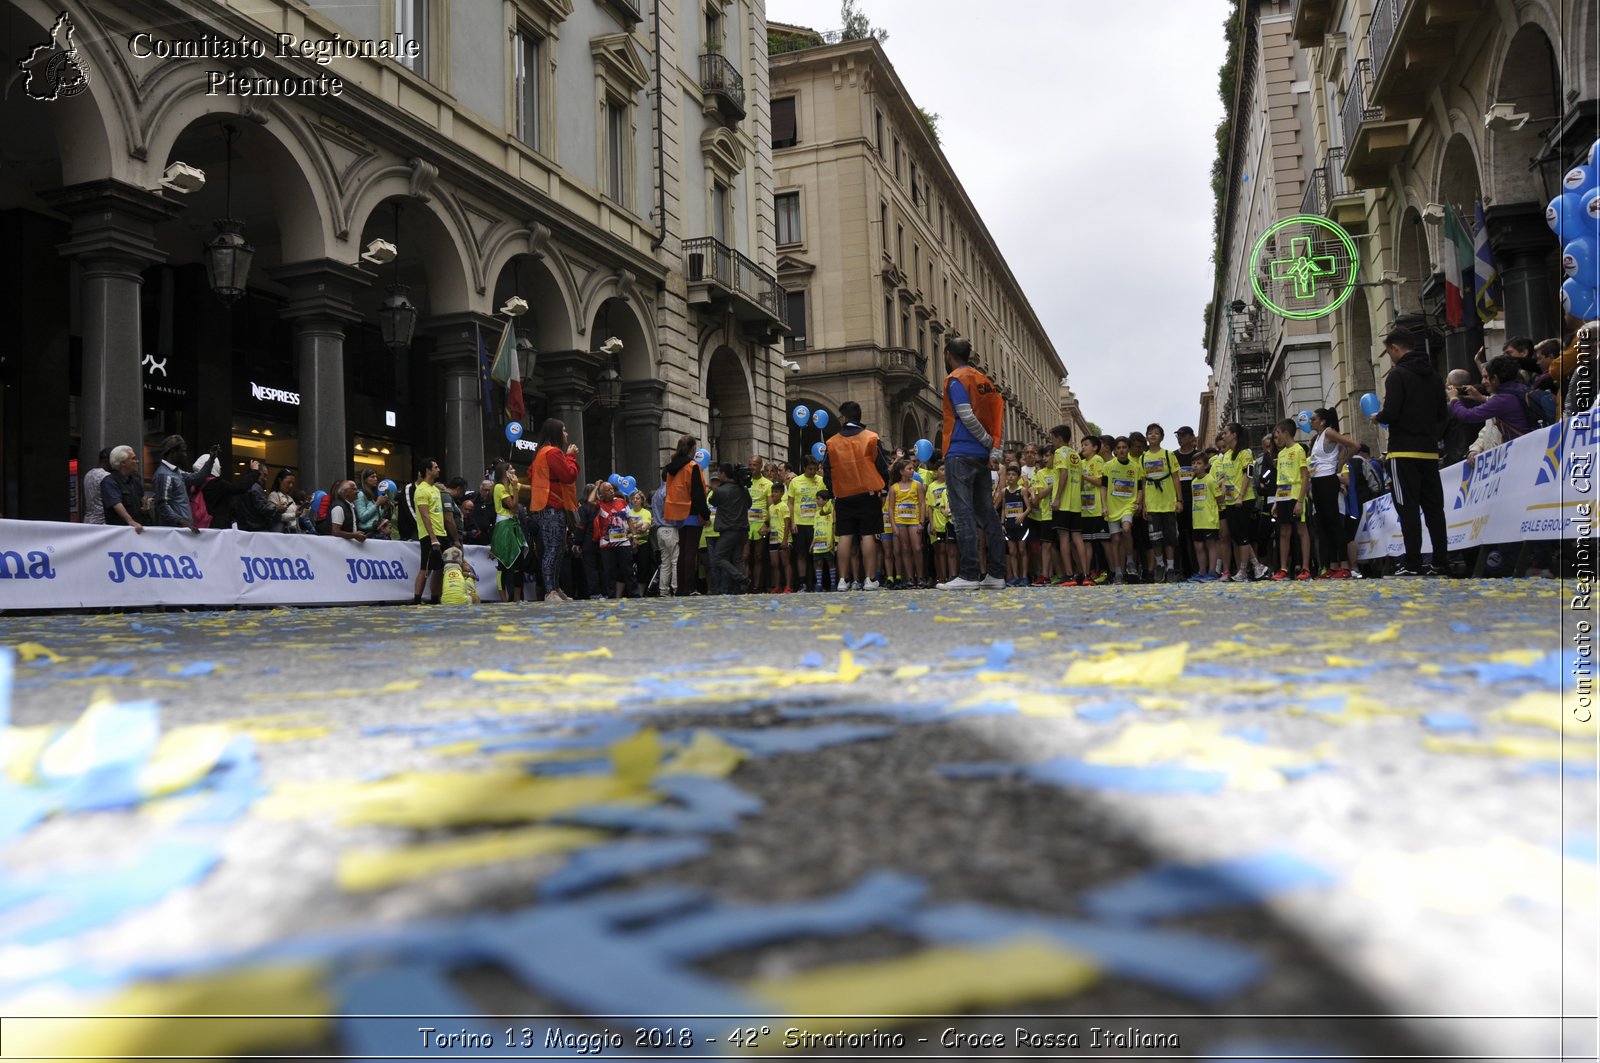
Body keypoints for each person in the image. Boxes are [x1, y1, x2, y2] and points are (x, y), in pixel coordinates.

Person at [1370, 326, 1451, 577]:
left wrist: (1378, 417)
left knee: (1408, 509)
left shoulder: (1398, 375)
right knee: (1434, 509)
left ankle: (1413, 563)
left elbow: (1392, 412)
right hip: (1428, 452)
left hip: (1403, 452)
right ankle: (1440, 561)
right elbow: (1442, 414)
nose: (1390, 357)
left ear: (1396, 348)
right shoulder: (1435, 376)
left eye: (1389, 352)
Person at [937, 334, 1007, 590]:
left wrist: (988, 442)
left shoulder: (955, 379)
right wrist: (993, 450)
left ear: (948, 355)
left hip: (960, 453)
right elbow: (998, 416)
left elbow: (965, 415)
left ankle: (968, 575)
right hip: (981, 457)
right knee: (987, 514)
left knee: (963, 513)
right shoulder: (983, 380)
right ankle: (996, 574)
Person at [823, 401, 890, 591]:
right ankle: (870, 579)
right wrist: (884, 487)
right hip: (868, 493)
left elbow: (827, 471)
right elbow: (883, 466)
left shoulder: (832, 442)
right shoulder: (871, 438)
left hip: (843, 495)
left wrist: (833, 490)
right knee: (867, 535)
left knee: (844, 536)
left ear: (844, 418)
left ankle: (843, 580)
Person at [528, 419, 581, 602]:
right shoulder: (553, 452)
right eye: (564, 430)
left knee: (557, 549)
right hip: (553, 505)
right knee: (553, 549)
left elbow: (531, 474)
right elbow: (568, 475)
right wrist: (571, 457)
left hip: (545, 505)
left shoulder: (540, 453)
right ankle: (550, 591)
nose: (566, 434)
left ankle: (555, 588)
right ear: (556, 433)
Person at [1308, 408, 1360, 578]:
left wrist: (1341, 463)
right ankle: (1332, 565)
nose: (1310, 421)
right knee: (1323, 526)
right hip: (1317, 481)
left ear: (1322, 421)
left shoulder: (1329, 432)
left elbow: (1354, 445)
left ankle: (1344, 565)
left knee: (1334, 524)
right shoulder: (1317, 438)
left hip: (1328, 480)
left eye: (1313, 418)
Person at [1217, 422, 1268, 582]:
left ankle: (1243, 570)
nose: (1223, 436)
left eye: (1226, 433)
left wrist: (1240, 496)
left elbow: (1250, 474)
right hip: (1230, 500)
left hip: (1244, 499)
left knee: (1242, 536)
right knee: (1238, 536)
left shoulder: (1244, 453)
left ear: (1234, 435)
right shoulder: (1225, 455)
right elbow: (1226, 477)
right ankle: (1258, 566)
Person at [661, 436, 710, 596]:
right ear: (691, 449)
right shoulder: (692, 466)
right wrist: (705, 513)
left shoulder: (671, 469)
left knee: (683, 552)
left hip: (677, 513)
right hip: (693, 512)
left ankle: (681, 588)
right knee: (690, 552)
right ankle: (689, 587)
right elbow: (697, 493)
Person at [1139, 424, 1184, 583]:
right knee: (1155, 538)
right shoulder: (1143, 458)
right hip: (1152, 504)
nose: (1153, 435)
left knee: (1170, 537)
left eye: (1156, 433)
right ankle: (1159, 565)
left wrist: (1179, 499)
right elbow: (1143, 483)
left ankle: (1171, 568)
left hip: (1168, 503)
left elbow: (1176, 478)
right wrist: (1143, 504)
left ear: (1162, 437)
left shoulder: (1168, 454)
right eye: (1150, 433)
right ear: (1147, 436)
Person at [1270, 419, 1313, 581]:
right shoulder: (1280, 454)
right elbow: (1280, 479)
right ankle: (1283, 569)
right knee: (1284, 532)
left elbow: (1304, 477)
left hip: (1296, 495)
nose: (1276, 438)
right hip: (1282, 496)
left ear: (1285, 433)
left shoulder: (1299, 450)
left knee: (1302, 530)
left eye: (1277, 434)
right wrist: (1275, 501)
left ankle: (1306, 568)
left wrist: (1301, 501)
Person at [152, 435, 215, 534]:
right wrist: (182, 521)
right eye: (183, 451)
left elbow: (197, 478)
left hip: (181, 529)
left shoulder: (176, 472)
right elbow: (162, 505)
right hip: (174, 531)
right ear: (173, 452)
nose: (185, 455)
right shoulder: (164, 475)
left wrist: (211, 459)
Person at [1103, 437, 1141, 584]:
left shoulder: (1135, 467)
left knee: (1126, 529)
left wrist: (1138, 502)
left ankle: (1130, 561)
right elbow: (1104, 488)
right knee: (1116, 539)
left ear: (1128, 449)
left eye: (1124, 447)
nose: (1121, 450)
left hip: (1128, 505)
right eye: (1118, 448)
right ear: (1115, 451)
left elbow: (1140, 488)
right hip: (1112, 507)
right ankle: (1118, 571)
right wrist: (1104, 505)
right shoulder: (1108, 466)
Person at [708, 463, 750, 594]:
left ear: (723, 474)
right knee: (737, 558)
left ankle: (741, 578)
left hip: (728, 530)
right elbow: (749, 504)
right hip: (743, 530)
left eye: (719, 473)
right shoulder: (742, 489)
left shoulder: (720, 490)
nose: (718, 475)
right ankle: (741, 588)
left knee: (718, 557)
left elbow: (712, 501)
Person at [591, 479, 637, 599]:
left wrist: (634, 535)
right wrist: (596, 487)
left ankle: (634, 594)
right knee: (609, 571)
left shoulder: (621, 501)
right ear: (602, 494)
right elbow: (590, 500)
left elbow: (629, 519)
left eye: (612, 489)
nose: (612, 491)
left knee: (628, 569)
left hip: (623, 542)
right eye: (608, 490)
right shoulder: (600, 504)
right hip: (607, 544)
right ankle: (611, 595)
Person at [490, 460, 529, 602]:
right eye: (511, 469)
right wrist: (514, 488)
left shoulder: (513, 485)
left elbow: (530, 488)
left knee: (519, 564)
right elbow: (513, 507)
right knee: (504, 565)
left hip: (514, 526)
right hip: (504, 527)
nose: (514, 471)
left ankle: (517, 598)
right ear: (504, 472)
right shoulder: (499, 487)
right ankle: (504, 600)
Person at [410, 458, 446, 604]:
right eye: (436, 467)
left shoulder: (435, 489)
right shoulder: (421, 490)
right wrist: (432, 538)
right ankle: (417, 599)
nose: (439, 469)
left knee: (439, 568)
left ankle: (434, 598)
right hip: (429, 535)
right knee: (426, 568)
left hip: (441, 533)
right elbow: (425, 515)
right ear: (428, 470)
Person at [788, 456, 825, 591]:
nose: (813, 471)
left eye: (815, 469)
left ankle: (818, 582)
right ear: (804, 468)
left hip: (817, 523)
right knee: (802, 554)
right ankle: (803, 582)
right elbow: (790, 503)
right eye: (810, 469)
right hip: (800, 523)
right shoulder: (795, 482)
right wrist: (793, 522)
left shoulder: (821, 481)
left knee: (817, 554)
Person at [1187, 448, 1222, 581]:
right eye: (1194, 463)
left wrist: (1215, 510)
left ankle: (1212, 571)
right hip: (1197, 520)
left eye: (1199, 463)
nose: (1195, 465)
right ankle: (1201, 571)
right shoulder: (1193, 482)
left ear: (1206, 465)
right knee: (1198, 546)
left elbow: (1219, 497)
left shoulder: (1210, 480)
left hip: (1209, 520)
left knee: (1210, 545)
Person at [1077, 436, 1109, 584]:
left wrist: (1083, 476)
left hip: (1097, 508)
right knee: (1087, 542)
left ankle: (1109, 571)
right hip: (1084, 509)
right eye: (1082, 445)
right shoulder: (1080, 463)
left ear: (1095, 447)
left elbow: (1100, 481)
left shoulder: (1097, 460)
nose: (1082, 447)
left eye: (1086, 445)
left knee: (1102, 542)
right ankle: (1088, 573)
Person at [101, 445, 146, 532]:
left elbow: (141, 503)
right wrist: (131, 522)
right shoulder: (109, 481)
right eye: (133, 458)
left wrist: (145, 508)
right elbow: (116, 504)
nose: (137, 461)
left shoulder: (136, 481)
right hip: (120, 533)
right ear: (123, 463)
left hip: (138, 531)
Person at [924, 459, 955, 585]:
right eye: (942, 469)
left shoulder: (952, 484)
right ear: (936, 472)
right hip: (937, 520)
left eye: (946, 469)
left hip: (950, 520)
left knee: (951, 550)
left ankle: (952, 575)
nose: (944, 472)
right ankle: (941, 576)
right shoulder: (932, 486)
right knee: (939, 551)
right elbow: (929, 507)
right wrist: (931, 523)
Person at [996, 464, 1027, 585]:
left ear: (1018, 477)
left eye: (1014, 474)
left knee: (1022, 550)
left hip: (1021, 524)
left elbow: (1029, 507)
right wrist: (1001, 523)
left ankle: (1024, 576)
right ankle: (1015, 576)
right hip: (1008, 525)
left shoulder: (1022, 490)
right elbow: (1003, 508)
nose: (1011, 477)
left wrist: (1023, 515)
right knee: (1012, 551)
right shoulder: (1004, 491)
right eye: (1008, 474)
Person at [745, 456, 772, 593]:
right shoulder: (744, 482)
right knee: (745, 556)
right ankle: (745, 585)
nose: (751, 467)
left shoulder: (767, 484)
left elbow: (770, 506)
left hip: (760, 523)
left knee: (758, 556)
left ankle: (757, 586)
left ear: (760, 466)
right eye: (750, 464)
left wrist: (766, 524)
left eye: (754, 464)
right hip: (746, 523)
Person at [767, 478, 794, 593]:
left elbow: (787, 523)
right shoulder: (770, 507)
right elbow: (770, 522)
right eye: (773, 492)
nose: (774, 494)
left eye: (777, 492)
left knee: (785, 563)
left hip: (783, 538)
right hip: (772, 539)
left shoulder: (784, 506)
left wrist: (785, 540)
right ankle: (777, 586)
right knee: (774, 564)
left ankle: (788, 586)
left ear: (782, 493)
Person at [811, 489, 837, 591]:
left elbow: (833, 526)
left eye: (818, 499)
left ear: (826, 500)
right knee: (818, 563)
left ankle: (833, 584)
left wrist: (833, 540)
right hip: (818, 543)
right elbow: (815, 529)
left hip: (828, 542)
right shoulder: (817, 514)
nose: (816, 501)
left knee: (831, 562)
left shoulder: (831, 513)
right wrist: (812, 544)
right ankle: (819, 584)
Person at [354, 469, 392, 539]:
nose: (375, 479)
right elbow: (362, 517)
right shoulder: (360, 494)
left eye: (376, 477)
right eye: (372, 477)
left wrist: (385, 507)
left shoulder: (374, 494)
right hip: (367, 533)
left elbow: (375, 516)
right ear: (365, 479)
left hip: (376, 531)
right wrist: (377, 504)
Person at [81, 448, 113, 525]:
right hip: (103, 522)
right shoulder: (107, 476)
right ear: (108, 460)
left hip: (88, 520)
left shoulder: (88, 474)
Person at [267, 469, 300, 533]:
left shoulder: (290, 498)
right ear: (280, 480)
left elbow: (298, 515)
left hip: (293, 532)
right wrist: (294, 515)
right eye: (289, 482)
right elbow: (276, 516)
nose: (291, 486)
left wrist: (306, 506)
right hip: (282, 533)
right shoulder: (273, 495)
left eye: (293, 483)